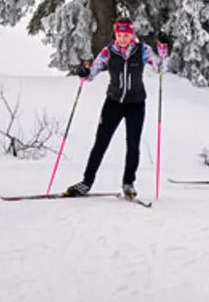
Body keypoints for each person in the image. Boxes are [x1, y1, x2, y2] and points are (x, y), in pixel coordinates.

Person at [63, 19, 167, 200]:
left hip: (136, 103)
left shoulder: (142, 50)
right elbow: (92, 72)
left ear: (131, 34)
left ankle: (128, 183)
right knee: (100, 143)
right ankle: (86, 182)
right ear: (115, 35)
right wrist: (85, 72)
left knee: (133, 144)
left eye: (126, 35)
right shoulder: (108, 52)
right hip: (113, 103)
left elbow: (160, 67)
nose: (122, 38)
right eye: (119, 35)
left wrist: (162, 46)